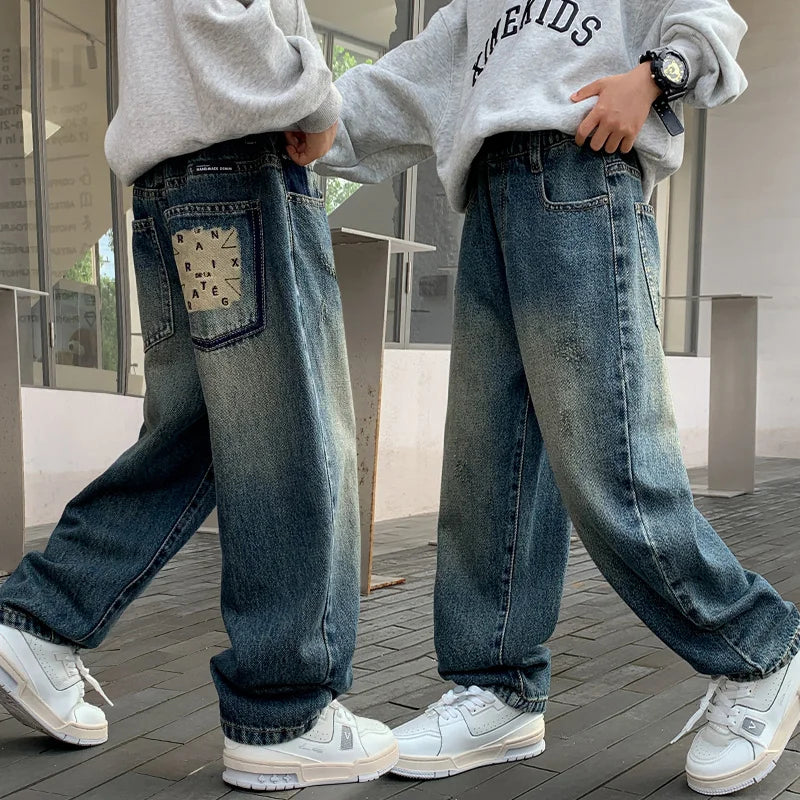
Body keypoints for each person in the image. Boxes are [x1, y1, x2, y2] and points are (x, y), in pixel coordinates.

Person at [308, 0, 800, 794]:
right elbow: (397, 86)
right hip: (489, 199)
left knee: (613, 464)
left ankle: (761, 651)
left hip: (582, 178)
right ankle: (496, 688)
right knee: (485, 466)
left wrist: (655, 78)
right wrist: (294, 119)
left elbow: (709, 18)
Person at [0, 0, 398, 791]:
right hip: (241, 169)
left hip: (176, 182)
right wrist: (313, 96)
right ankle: (283, 714)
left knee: (203, 434)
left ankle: (39, 624)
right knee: (293, 443)